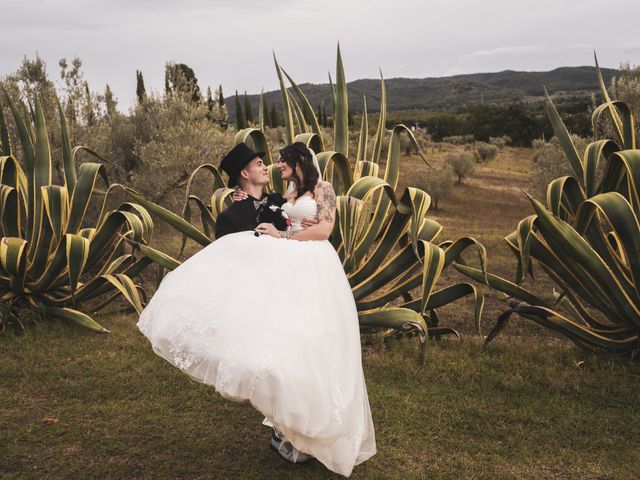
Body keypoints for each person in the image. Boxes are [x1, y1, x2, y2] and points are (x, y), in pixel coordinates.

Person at [137, 142, 376, 477]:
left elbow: (300, 227)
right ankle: (287, 424)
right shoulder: (232, 214)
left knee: (306, 347)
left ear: (297, 162)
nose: (272, 167)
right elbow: (229, 260)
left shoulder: (285, 199)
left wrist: (283, 237)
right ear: (243, 174)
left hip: (301, 282)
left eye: (277, 161)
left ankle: (299, 423)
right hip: (259, 297)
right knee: (272, 359)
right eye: (263, 162)